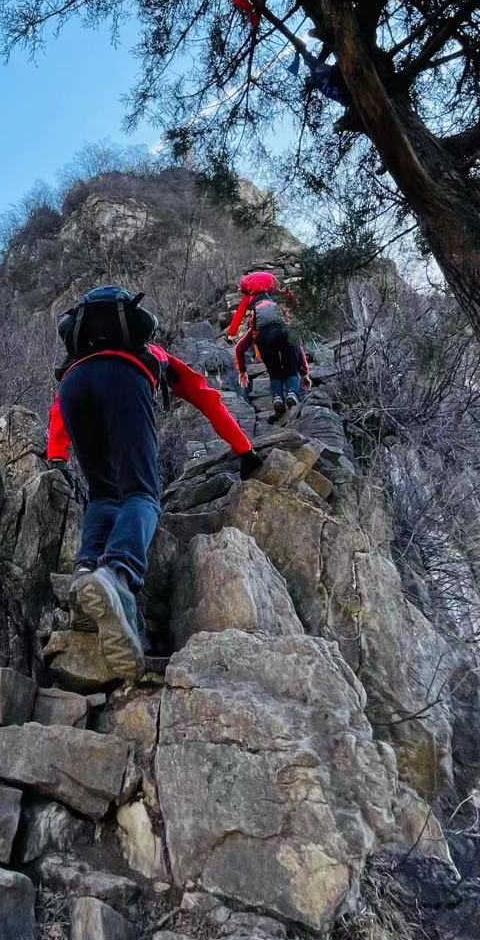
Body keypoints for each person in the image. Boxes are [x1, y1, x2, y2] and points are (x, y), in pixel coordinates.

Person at [47, 285, 263, 680]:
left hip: (73, 390)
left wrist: (56, 452)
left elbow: (60, 406)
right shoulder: (151, 354)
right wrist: (244, 449)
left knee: (104, 494)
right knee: (142, 493)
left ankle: (85, 575)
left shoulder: (77, 359)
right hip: (124, 381)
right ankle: (117, 575)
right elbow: (207, 396)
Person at [229, 272, 311, 417]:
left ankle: (278, 398)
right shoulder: (279, 297)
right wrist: (304, 373)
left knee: (274, 372)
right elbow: (298, 347)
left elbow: (239, 348)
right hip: (285, 332)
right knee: (291, 368)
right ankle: (292, 393)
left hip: (263, 338)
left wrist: (242, 372)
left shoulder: (252, 303)